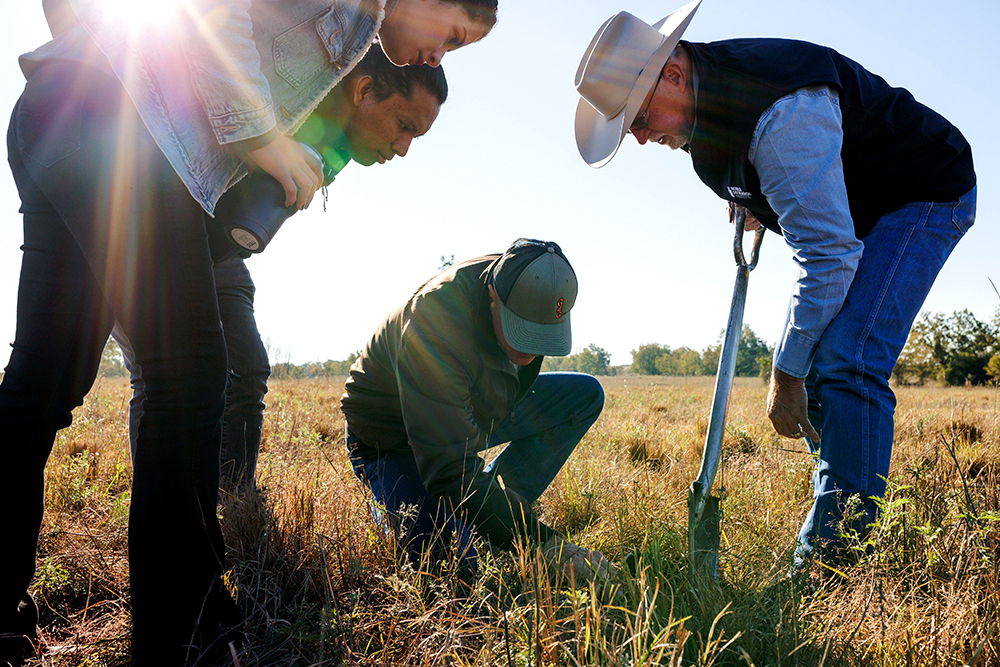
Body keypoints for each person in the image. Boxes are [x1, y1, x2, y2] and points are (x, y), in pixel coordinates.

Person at [0, 0, 496, 664]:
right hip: (123, 127)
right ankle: (186, 635)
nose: (442, 56)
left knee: (40, 386)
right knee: (188, 379)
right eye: (454, 35)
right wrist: (261, 138)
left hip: (63, 105)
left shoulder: (359, 41)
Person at [574, 2, 976, 569]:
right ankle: (848, 491)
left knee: (848, 357)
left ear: (672, 73)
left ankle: (833, 563)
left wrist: (784, 373)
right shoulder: (703, 126)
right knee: (821, 366)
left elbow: (830, 254)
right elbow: (776, 184)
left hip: (925, 190)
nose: (639, 138)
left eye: (638, 118)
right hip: (861, 213)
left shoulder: (781, 111)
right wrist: (761, 204)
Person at [113, 47, 450, 490]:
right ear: (363, 90)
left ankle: (234, 500)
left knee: (246, 368)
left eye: (416, 137)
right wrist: (269, 143)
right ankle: (167, 505)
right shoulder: (292, 82)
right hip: (145, 221)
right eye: (404, 126)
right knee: (162, 376)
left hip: (220, 249)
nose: (403, 149)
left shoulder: (339, 142)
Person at [341, 238, 616, 587]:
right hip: (394, 439)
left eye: (542, 337)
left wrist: (499, 516)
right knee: (453, 571)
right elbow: (449, 470)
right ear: (493, 297)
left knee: (583, 396)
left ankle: (486, 516)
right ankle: (393, 509)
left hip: (474, 408)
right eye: (523, 333)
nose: (531, 350)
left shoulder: (533, 286)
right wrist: (545, 545)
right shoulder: (434, 323)